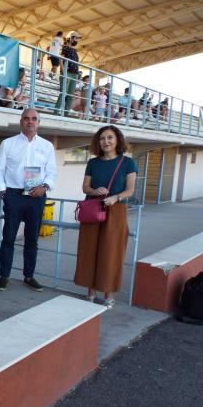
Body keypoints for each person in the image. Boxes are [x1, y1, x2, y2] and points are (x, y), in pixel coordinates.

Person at [74, 125, 137, 308]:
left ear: (117, 140)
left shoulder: (128, 163)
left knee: (111, 253)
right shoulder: (93, 163)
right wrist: (94, 190)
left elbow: (130, 190)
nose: (106, 142)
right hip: (93, 209)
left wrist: (115, 197)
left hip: (116, 212)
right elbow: (85, 187)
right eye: (102, 138)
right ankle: (91, 293)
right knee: (89, 250)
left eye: (110, 138)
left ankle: (108, 295)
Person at [0, 108, 57, 292]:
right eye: (26, 119)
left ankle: (28, 276)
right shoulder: (8, 143)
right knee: (8, 238)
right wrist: (3, 191)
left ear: (38, 122)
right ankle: (4, 276)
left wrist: (45, 187)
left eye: (34, 119)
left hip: (36, 198)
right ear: (21, 121)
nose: (30, 122)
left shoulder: (47, 146)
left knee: (32, 239)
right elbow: (0, 170)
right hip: (13, 196)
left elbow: (52, 172)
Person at [55, 31, 82, 116]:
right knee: (63, 93)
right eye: (76, 38)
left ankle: (66, 113)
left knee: (70, 95)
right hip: (67, 73)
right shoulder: (65, 48)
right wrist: (64, 72)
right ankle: (56, 111)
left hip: (74, 74)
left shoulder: (75, 50)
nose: (77, 40)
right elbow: (60, 59)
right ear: (71, 38)